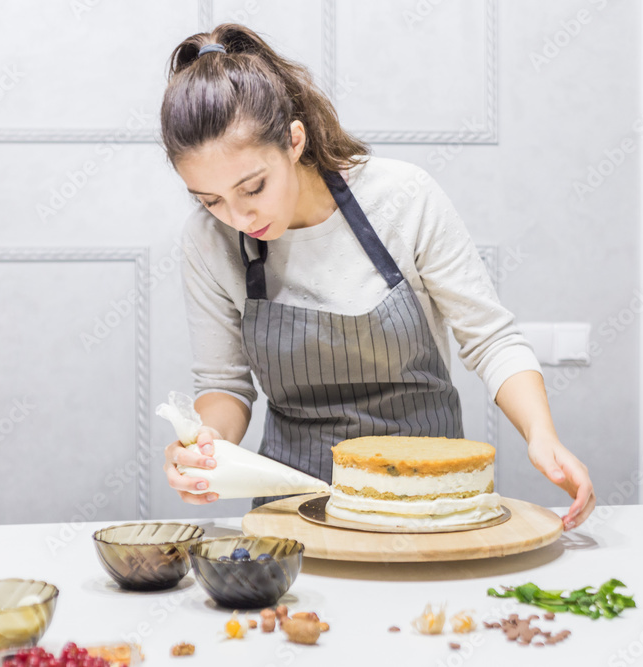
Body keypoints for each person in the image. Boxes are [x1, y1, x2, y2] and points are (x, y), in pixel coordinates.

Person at [159, 24, 596, 530]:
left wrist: (541, 434)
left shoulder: (403, 199)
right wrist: (205, 449)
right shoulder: (207, 240)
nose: (237, 216)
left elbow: (491, 338)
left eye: (253, 187)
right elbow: (224, 385)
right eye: (210, 200)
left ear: (294, 141)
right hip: (293, 512)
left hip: (428, 499)